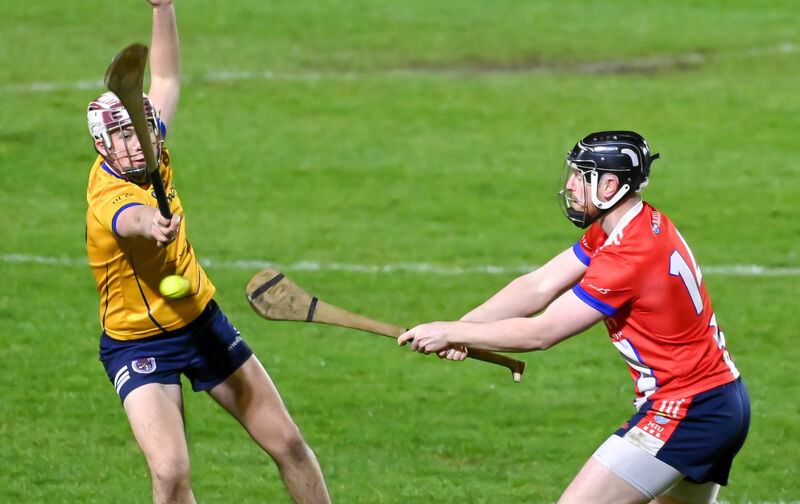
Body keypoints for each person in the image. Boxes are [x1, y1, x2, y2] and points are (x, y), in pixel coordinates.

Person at [398, 131, 749, 504]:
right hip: (721, 401)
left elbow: (543, 333)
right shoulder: (630, 225)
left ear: (610, 184)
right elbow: (538, 286)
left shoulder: (629, 254)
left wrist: (450, 332)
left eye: (581, 175)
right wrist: (463, 329)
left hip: (687, 411)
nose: (570, 184)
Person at [85, 1, 331, 503]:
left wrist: (163, 7)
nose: (138, 142)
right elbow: (129, 220)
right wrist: (151, 223)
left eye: (142, 129)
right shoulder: (108, 197)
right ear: (103, 147)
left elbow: (168, 79)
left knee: (289, 443)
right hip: (138, 343)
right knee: (172, 473)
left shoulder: (153, 148)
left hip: (200, 321)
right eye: (123, 135)